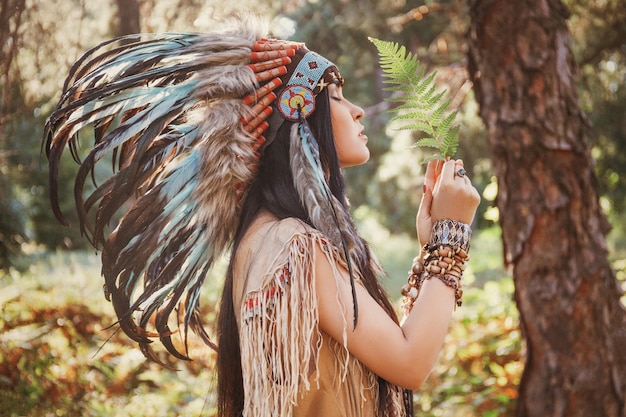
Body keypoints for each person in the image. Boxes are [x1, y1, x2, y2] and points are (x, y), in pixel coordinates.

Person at [44, 21, 480, 417]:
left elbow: (382, 350)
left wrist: (428, 250)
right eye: (337, 97)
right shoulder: (297, 247)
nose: (358, 111)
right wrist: (451, 235)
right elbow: (409, 365)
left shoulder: (264, 239)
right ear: (298, 119)